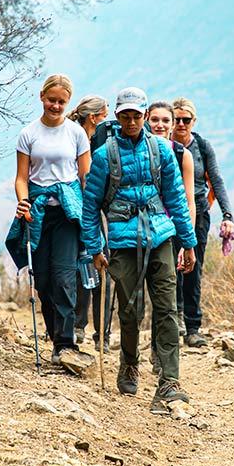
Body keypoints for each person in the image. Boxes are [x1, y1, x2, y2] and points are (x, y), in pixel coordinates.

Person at [81, 87, 197, 414]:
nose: (131, 121)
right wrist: (95, 248)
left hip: (161, 238)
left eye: (136, 115)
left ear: (144, 116)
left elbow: (176, 199)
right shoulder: (104, 155)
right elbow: (90, 207)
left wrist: (188, 243)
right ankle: (129, 362)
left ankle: (170, 381)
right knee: (130, 310)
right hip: (122, 242)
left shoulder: (161, 151)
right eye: (125, 116)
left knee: (167, 309)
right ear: (118, 117)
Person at [6, 74, 91, 365]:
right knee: (42, 279)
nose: (55, 106)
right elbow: (21, 178)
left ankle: (66, 344)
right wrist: (23, 202)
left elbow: (85, 176)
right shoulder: (28, 134)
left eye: (61, 102)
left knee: (64, 277)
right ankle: (56, 338)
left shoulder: (76, 134)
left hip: (67, 213)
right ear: (42, 97)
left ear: (68, 103)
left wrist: (91, 210)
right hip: (38, 211)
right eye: (51, 100)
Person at [171, 97, 234, 348]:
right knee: (170, 268)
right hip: (168, 213)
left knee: (193, 267)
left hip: (198, 213)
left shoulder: (202, 147)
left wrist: (227, 215)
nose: (181, 124)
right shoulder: (163, 145)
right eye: (177, 119)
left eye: (186, 120)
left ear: (193, 121)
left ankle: (193, 327)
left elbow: (216, 180)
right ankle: (174, 321)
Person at [146, 101, 195, 373]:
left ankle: (161, 353)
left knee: (167, 294)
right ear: (147, 119)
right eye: (155, 119)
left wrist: (188, 241)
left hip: (173, 229)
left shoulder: (181, 154)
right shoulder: (139, 150)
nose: (160, 125)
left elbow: (188, 200)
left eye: (166, 120)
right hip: (143, 227)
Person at [67, 96, 112, 350]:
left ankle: (80, 327)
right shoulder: (81, 140)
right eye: (104, 116)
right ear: (93, 118)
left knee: (83, 265)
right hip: (87, 211)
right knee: (97, 263)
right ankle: (99, 333)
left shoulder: (79, 137)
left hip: (78, 210)